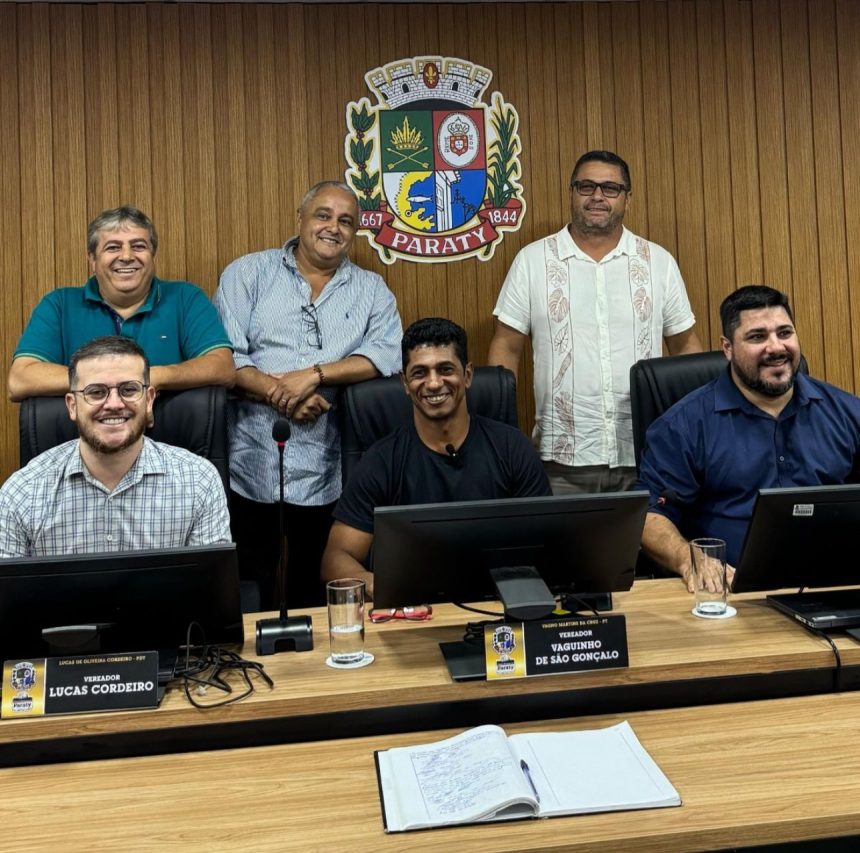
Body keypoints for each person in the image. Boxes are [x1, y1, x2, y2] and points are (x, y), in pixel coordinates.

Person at [214, 180, 402, 609]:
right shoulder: (248, 273)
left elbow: (387, 355)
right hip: (251, 463)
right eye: (323, 215)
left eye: (346, 221)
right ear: (299, 219)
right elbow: (227, 357)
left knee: (316, 596)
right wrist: (284, 394)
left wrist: (315, 375)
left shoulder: (372, 289)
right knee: (246, 593)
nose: (333, 227)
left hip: (327, 468)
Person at [488, 150, 702, 495]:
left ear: (627, 199)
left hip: (649, 453)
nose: (597, 196)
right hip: (560, 460)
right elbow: (506, 348)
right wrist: (501, 435)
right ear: (571, 192)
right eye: (586, 186)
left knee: (649, 549)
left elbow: (686, 349)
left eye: (610, 188)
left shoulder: (658, 262)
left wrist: (691, 433)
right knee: (567, 550)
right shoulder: (532, 261)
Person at [638, 285, 860, 591]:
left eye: (784, 333)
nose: (776, 347)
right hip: (730, 593)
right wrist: (688, 557)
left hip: (834, 587)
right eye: (757, 337)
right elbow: (650, 515)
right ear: (727, 348)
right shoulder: (683, 426)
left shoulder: (847, 413)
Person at [321, 317, 551, 598]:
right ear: (405, 383)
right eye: (419, 373)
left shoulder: (513, 448)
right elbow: (335, 560)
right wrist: (384, 588)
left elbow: (547, 546)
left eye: (445, 370)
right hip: (412, 612)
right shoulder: (380, 461)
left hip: (498, 608)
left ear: (467, 375)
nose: (433, 383)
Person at [0, 336, 231, 558]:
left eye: (129, 389)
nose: (113, 404)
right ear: (72, 406)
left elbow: (210, 593)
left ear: (149, 400)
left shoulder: (199, 481)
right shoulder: (22, 494)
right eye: (96, 392)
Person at [8, 206, 234, 402]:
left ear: (152, 256)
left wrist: (149, 377)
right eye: (113, 247)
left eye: (138, 246)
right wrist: (115, 381)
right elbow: (20, 379)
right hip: (81, 443)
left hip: (170, 441)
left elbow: (222, 367)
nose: (126, 256)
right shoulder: (58, 304)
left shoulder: (186, 297)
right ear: (92, 260)